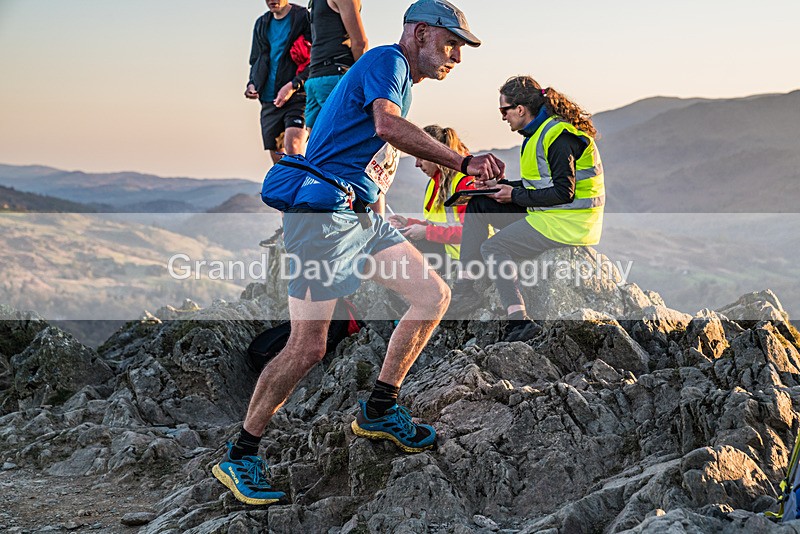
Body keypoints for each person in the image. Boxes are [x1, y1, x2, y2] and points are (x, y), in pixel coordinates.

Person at [213, 0, 505, 506]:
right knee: (307, 348)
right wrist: (464, 162)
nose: (457, 55)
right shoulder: (388, 62)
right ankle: (240, 455)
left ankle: (380, 409)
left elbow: (370, 142)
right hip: (324, 220)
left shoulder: (399, 76)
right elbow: (388, 127)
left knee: (432, 295)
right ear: (418, 34)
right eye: (451, 42)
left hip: (362, 218)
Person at [447, 75, 605, 341]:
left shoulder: (558, 136)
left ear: (520, 109)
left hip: (569, 222)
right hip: (548, 214)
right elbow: (542, 183)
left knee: (494, 247)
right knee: (478, 203)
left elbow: (563, 192)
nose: (502, 117)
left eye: (503, 110)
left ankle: (519, 321)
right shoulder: (536, 135)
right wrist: (501, 186)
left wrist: (515, 195)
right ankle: (465, 289)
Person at [388, 125, 474, 270]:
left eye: (421, 158)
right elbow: (439, 225)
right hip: (449, 253)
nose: (417, 164)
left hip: (466, 259)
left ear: (435, 154)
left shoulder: (465, 182)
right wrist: (408, 222)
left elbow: (470, 232)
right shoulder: (436, 183)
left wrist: (426, 232)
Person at [245, 0, 312, 164]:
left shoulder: (302, 17)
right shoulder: (262, 23)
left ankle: (302, 187)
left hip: (298, 95)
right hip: (269, 99)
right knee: (279, 161)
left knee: (293, 146)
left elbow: (315, 56)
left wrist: (294, 85)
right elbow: (256, 59)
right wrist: (252, 84)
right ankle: (288, 189)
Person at [305, 0, 369, 133]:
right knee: (345, 139)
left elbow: (359, 43)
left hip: (319, 77)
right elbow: (360, 43)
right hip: (330, 78)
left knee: (317, 145)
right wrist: (365, 82)